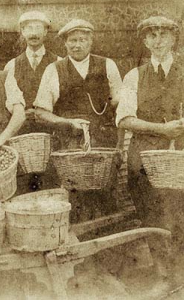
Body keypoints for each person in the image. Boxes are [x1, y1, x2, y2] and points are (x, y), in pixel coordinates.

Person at [116, 16, 184, 262]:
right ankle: (161, 267)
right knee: (149, 214)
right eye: (152, 35)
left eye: (164, 35)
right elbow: (124, 119)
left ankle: (179, 269)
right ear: (145, 41)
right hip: (142, 160)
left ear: (173, 39)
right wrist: (160, 130)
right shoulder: (134, 76)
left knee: (177, 211)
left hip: (177, 159)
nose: (158, 40)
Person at [34, 18, 124, 222]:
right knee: (74, 199)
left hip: (104, 143)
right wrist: (66, 122)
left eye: (82, 39)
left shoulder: (107, 65)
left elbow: (120, 102)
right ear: (65, 43)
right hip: (70, 145)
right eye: (72, 40)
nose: (77, 44)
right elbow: (40, 111)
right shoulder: (54, 70)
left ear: (90, 42)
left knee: (106, 194)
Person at [4, 11, 60, 134]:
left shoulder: (59, 63)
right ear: (23, 32)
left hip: (52, 129)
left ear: (45, 32)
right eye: (29, 28)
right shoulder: (11, 65)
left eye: (38, 28)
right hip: (21, 130)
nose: (34, 33)